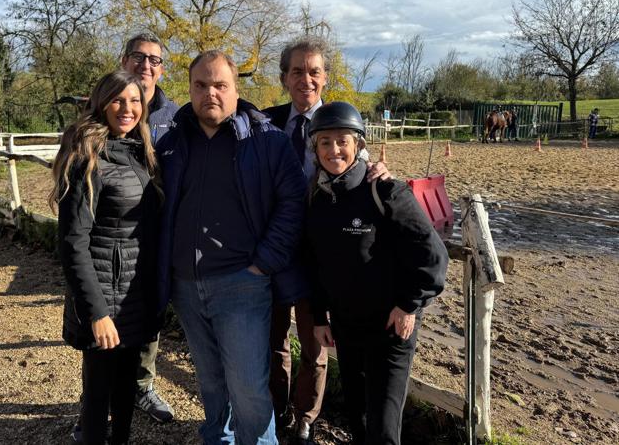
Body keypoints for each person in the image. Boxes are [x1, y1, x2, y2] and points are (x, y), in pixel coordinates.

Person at [156, 50, 307, 444]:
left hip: (241, 284)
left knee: (248, 389)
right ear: (188, 89)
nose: (211, 93)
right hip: (186, 286)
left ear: (236, 90)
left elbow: (293, 202)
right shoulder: (171, 143)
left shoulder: (267, 141)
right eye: (201, 85)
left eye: (220, 85)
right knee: (209, 382)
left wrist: (265, 262)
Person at [263, 37, 390, 444]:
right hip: (273, 252)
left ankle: (306, 417)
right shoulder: (265, 123)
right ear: (284, 78)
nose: (306, 78)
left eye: (314, 70)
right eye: (297, 71)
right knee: (272, 340)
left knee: (315, 343)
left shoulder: (340, 126)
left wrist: (379, 171)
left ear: (325, 77)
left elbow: (360, 166)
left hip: (319, 258)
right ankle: (274, 409)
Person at [304, 102, 448, 445]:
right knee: (358, 415)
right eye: (324, 142)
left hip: (390, 326)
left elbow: (432, 254)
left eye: (342, 141)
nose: (333, 149)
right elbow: (315, 262)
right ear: (315, 148)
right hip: (346, 326)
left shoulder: (385, 191)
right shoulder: (317, 198)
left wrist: (409, 304)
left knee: (383, 428)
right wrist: (320, 317)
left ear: (358, 145)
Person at [51, 71, 162, 445]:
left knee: (126, 392)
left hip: (134, 296)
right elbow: (72, 242)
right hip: (104, 299)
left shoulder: (138, 151)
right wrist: (96, 312)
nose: (127, 109)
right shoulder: (87, 156)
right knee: (97, 397)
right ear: (100, 104)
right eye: (118, 100)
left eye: (134, 101)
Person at [121, 32, 178, 422]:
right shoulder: (105, 105)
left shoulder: (174, 118)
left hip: (159, 234)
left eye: (154, 60)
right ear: (124, 60)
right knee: (109, 312)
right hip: (115, 232)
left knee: (151, 312)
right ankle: (99, 399)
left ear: (162, 68)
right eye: (138, 57)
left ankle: (142, 386)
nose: (146, 65)